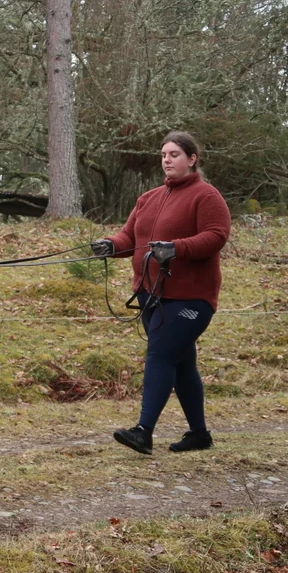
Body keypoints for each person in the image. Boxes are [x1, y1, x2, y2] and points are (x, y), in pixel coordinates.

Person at [90, 131, 231, 454]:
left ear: (192, 159)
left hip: (191, 297)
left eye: (174, 155)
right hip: (151, 294)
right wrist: (110, 245)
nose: (167, 160)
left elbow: (216, 236)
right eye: (164, 155)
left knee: (161, 355)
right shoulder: (149, 198)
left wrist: (176, 249)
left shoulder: (206, 196)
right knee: (181, 364)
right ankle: (199, 435)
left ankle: (143, 431)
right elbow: (130, 238)